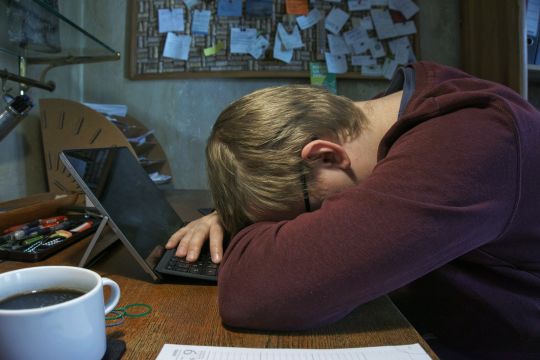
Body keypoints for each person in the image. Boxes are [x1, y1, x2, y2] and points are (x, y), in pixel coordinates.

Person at [166, 61, 540, 359]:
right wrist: (231, 214)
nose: (301, 229)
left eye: (298, 218)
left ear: (327, 155)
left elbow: (254, 293)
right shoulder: (397, 111)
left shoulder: (465, 146)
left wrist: (251, 238)